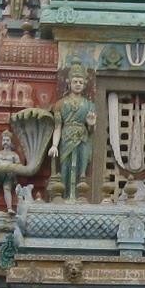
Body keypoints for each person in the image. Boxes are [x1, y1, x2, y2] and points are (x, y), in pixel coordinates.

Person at [49, 65, 96, 201]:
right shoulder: (60, 104)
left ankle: (78, 196)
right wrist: (54, 145)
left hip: (82, 137)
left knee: (81, 168)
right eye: (75, 81)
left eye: (81, 82)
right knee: (65, 167)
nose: (78, 84)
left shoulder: (89, 105)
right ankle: (64, 196)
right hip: (66, 136)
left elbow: (91, 130)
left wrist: (91, 125)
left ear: (84, 84)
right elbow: (57, 127)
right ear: (69, 82)